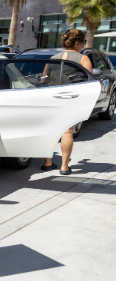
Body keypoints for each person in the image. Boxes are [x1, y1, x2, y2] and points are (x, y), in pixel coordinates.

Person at [42, 28, 93, 175]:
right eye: (83, 42)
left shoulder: (52, 58)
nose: (83, 45)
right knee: (67, 131)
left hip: (51, 98)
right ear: (77, 43)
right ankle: (64, 166)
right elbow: (89, 82)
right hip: (71, 100)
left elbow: (43, 79)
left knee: (51, 131)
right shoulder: (83, 58)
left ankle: (47, 162)